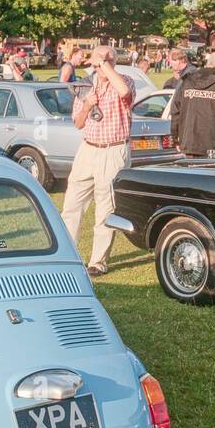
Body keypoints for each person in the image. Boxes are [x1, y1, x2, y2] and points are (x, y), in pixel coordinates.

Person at [62, 45, 136, 278]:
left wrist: (104, 63)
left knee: (105, 208)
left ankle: (98, 261)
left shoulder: (124, 80)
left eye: (109, 60)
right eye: (100, 61)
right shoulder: (85, 86)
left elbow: (124, 92)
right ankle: (68, 256)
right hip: (88, 149)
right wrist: (87, 104)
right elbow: (78, 123)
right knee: (72, 205)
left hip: (113, 150)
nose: (105, 64)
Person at [171, 52, 215, 158]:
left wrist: (175, 138)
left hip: (188, 142)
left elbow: (175, 111)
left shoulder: (187, 81)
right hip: (212, 144)